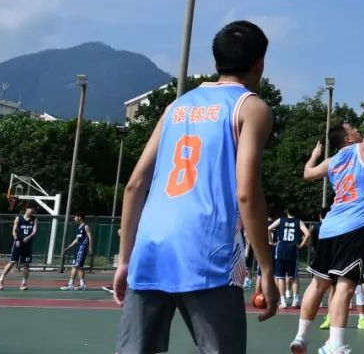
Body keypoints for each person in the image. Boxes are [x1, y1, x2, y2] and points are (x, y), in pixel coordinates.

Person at [113, 21, 279, 353]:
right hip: (207, 249)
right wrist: (266, 268)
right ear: (259, 64)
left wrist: (124, 260)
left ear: (217, 62)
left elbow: (134, 185)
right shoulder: (251, 108)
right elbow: (246, 192)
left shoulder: (175, 107)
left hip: (151, 247)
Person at [290, 57, 364, 354]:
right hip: (353, 227)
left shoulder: (332, 162)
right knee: (345, 285)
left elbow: (307, 173)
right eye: (353, 127)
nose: (357, 129)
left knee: (318, 284)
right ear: (348, 137)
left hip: (329, 227)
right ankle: (335, 345)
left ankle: (301, 337)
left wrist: (314, 154)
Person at [269, 206, 308, 309]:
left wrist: (271, 242)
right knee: (294, 277)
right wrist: (301, 245)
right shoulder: (298, 222)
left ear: (286, 211)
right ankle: (295, 300)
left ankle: (283, 301)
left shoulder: (280, 220)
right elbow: (307, 234)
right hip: (292, 250)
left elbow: (268, 229)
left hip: (281, 249)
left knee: (280, 277)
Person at [0, 204, 37, 291]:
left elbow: (34, 231)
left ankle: (23, 283)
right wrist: (17, 240)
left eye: (33, 209)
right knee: (12, 261)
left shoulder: (34, 219)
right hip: (18, 243)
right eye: (31, 208)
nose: (32, 211)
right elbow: (14, 231)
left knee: (26, 264)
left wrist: (29, 237)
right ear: (26, 209)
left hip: (27, 244)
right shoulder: (18, 218)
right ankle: (0, 280)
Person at [61, 212, 94, 291]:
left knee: (75, 266)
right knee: (79, 267)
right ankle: (82, 284)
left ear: (79, 217)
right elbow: (76, 239)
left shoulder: (86, 226)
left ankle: (71, 284)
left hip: (82, 248)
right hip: (78, 248)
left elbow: (90, 237)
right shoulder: (79, 228)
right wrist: (69, 247)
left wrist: (90, 248)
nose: (74, 219)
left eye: (75, 217)